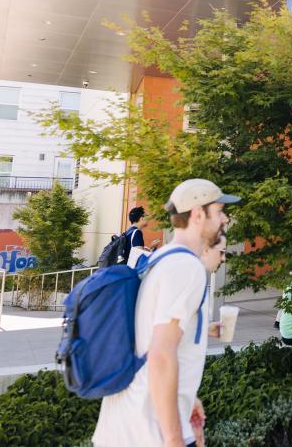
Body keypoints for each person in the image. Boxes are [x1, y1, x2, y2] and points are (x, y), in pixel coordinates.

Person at [92, 179, 240, 447]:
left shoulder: (163, 259)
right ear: (197, 215)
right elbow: (161, 353)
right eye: (218, 211)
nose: (225, 219)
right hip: (150, 434)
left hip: (132, 428)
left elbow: (152, 338)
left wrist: (187, 400)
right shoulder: (185, 266)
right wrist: (173, 439)